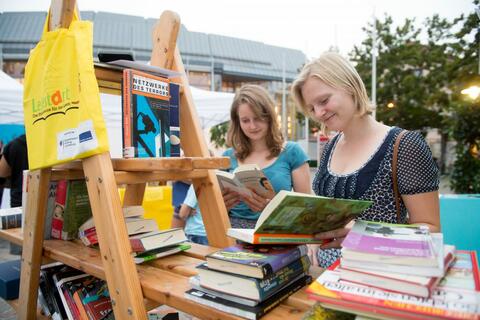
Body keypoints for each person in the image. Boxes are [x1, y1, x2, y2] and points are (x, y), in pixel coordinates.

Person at [291, 52, 440, 267]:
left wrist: (365, 235)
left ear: (350, 86)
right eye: (311, 108)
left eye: (323, 101)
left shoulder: (404, 144)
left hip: (379, 275)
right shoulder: (330, 147)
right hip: (325, 277)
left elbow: (431, 231)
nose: (319, 113)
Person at [222, 84, 312, 229]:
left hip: (277, 233)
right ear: (237, 122)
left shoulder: (291, 152)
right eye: (245, 120)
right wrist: (222, 204)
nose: (252, 126)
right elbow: (216, 212)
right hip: (233, 236)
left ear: (269, 117)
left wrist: (275, 209)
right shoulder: (227, 156)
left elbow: (308, 208)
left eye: (258, 118)